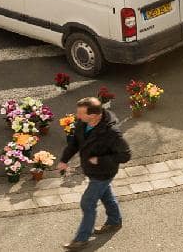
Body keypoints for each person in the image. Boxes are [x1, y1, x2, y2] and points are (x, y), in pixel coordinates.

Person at [56, 96, 131, 250]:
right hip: (91, 170)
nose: (77, 116)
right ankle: (115, 221)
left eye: (81, 113)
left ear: (94, 116)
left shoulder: (111, 133)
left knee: (87, 202)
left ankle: (81, 239)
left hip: (104, 172)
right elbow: (74, 143)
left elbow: (125, 155)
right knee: (106, 195)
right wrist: (64, 160)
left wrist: (100, 160)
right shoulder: (82, 124)